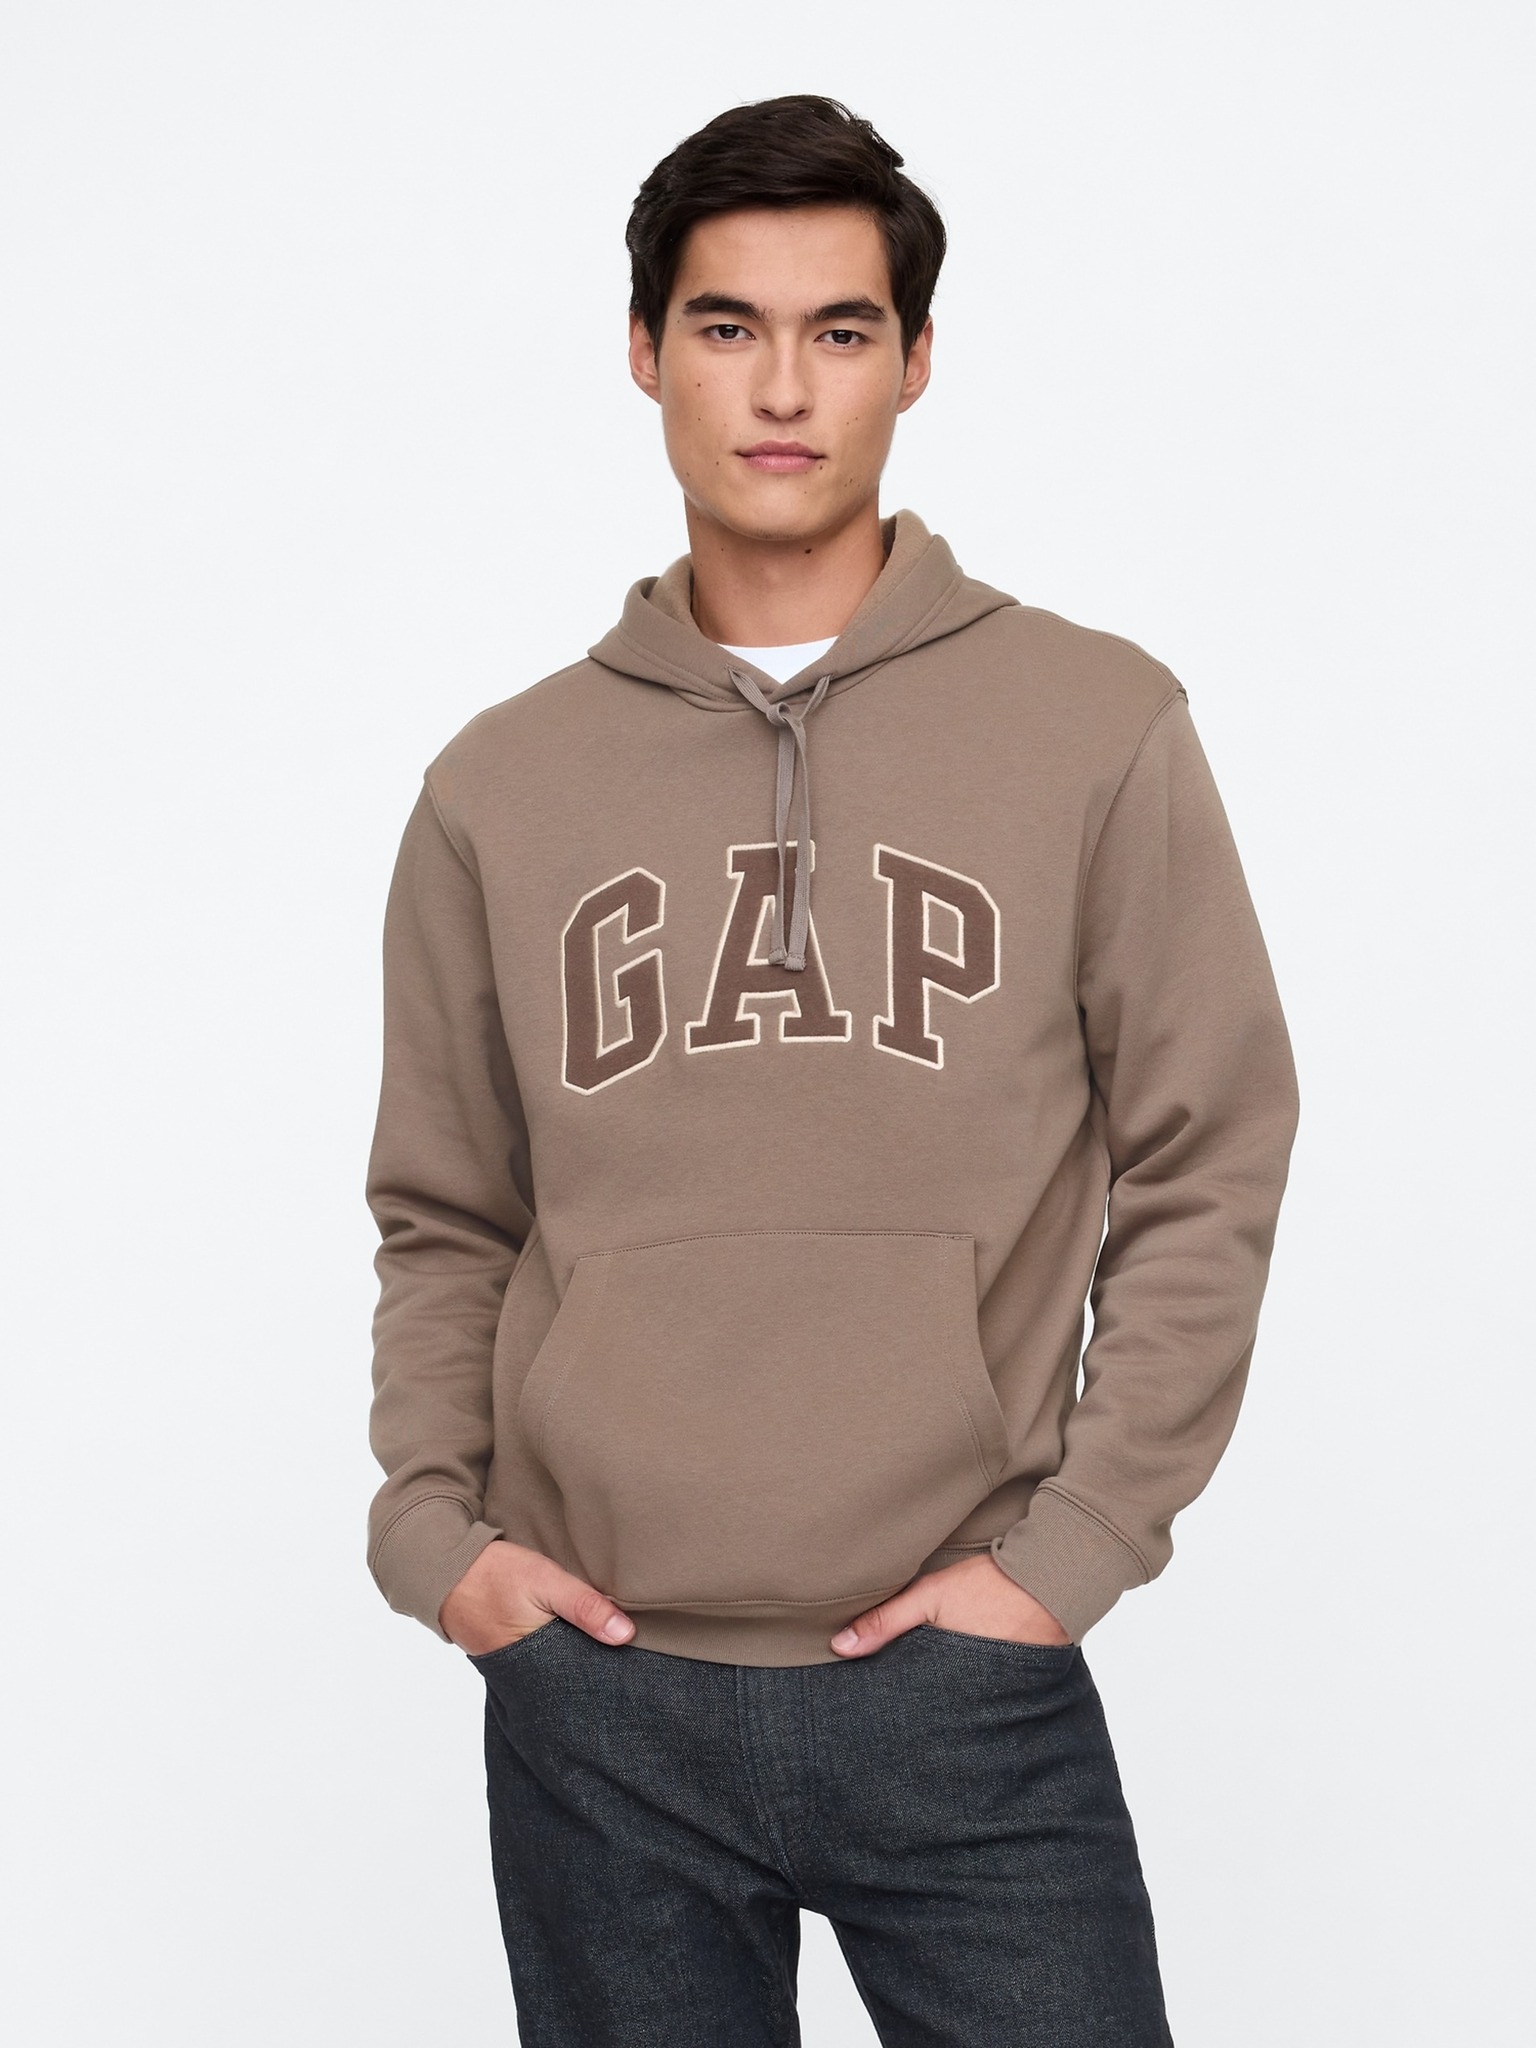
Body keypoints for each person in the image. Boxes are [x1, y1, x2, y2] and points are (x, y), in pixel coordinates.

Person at [363, 93, 1300, 2048]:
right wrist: (438, 1540)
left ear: (915, 358)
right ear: (646, 351)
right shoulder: (499, 788)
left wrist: (1074, 1552)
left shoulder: (1094, 726)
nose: (782, 387)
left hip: (964, 1678)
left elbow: (1209, 1151)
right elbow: (448, 1211)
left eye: (840, 329)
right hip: (599, 1690)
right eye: (727, 326)